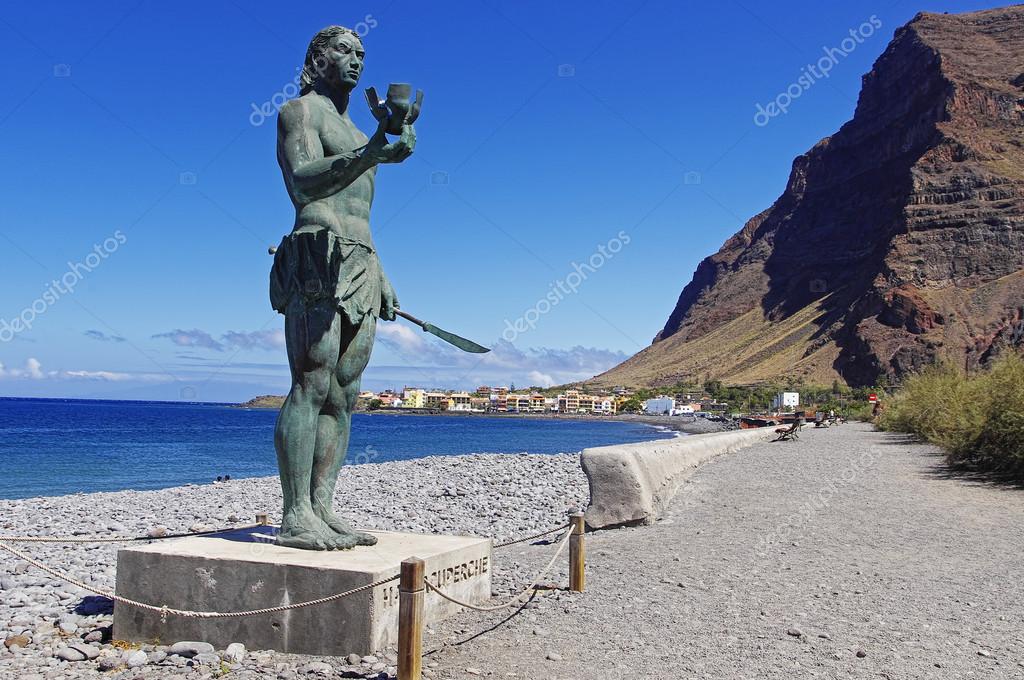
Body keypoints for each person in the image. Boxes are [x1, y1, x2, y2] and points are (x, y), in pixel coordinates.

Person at [270, 25, 415, 550]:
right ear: (318, 58)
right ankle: (295, 515)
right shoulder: (299, 112)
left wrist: (381, 272)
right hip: (317, 255)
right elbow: (306, 182)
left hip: (361, 261)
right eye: (344, 51)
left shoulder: (356, 130)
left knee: (344, 393)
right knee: (311, 382)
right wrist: (373, 152)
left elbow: (360, 214)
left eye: (361, 53)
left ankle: (322, 507)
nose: (356, 60)